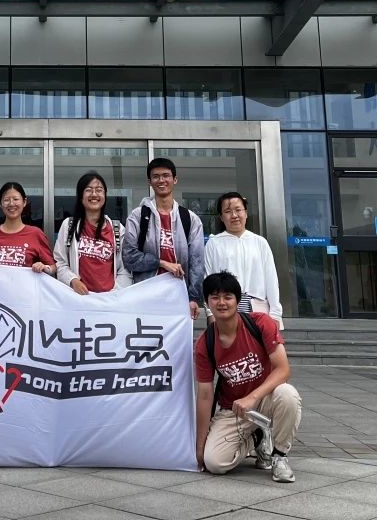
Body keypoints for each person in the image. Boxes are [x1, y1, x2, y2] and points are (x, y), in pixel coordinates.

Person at [194, 271, 301, 483]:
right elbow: (205, 395)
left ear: (238, 300)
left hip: (266, 399)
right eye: (215, 297)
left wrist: (252, 397)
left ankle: (279, 456)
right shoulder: (205, 343)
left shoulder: (260, 323)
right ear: (207, 302)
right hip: (234, 409)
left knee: (288, 394)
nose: (221, 303)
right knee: (214, 463)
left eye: (228, 297)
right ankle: (257, 437)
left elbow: (283, 369)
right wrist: (200, 446)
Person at [122, 157, 206, 319]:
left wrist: (194, 297)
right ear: (149, 182)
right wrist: (161, 263)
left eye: (166, 175)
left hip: (178, 295)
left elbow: (197, 262)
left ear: (175, 179)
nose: (161, 180)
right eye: (156, 176)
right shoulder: (138, 216)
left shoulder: (190, 219)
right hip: (145, 295)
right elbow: (129, 257)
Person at [203, 191, 284, 329]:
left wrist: (275, 314)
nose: (234, 215)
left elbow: (271, 279)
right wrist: (210, 313)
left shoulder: (260, 242)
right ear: (221, 217)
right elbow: (207, 279)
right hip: (225, 306)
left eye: (238, 210)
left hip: (258, 308)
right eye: (228, 211)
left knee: (256, 342)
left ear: (245, 213)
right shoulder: (214, 243)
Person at [54, 171, 132, 294]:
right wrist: (73, 280)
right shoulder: (69, 226)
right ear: (81, 196)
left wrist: (115, 292)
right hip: (78, 298)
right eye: (88, 190)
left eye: (99, 190)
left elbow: (125, 269)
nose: (94, 194)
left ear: (105, 195)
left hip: (109, 299)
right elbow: (59, 262)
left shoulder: (117, 229)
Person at [0, 181, 56, 275]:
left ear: (24, 202)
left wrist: (44, 268)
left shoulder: (36, 234)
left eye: (16, 199)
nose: (11, 204)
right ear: (0, 203)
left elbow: (53, 267)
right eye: (6, 200)